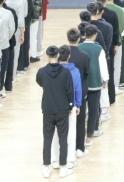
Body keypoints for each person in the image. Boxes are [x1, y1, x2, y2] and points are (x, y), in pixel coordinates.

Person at [37, 45, 75, 178]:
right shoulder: (65, 72)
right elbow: (70, 91)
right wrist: (70, 106)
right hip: (62, 109)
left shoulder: (41, 72)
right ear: (58, 55)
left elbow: (40, 82)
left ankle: (46, 167)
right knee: (63, 139)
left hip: (47, 109)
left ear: (47, 56)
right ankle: (63, 167)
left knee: (47, 139)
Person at [52, 44, 82, 172]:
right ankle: (70, 159)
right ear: (69, 56)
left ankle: (55, 159)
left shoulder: (53, 70)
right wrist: (78, 104)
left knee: (55, 134)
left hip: (55, 105)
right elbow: (77, 89)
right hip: (71, 105)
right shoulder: (74, 71)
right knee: (71, 133)